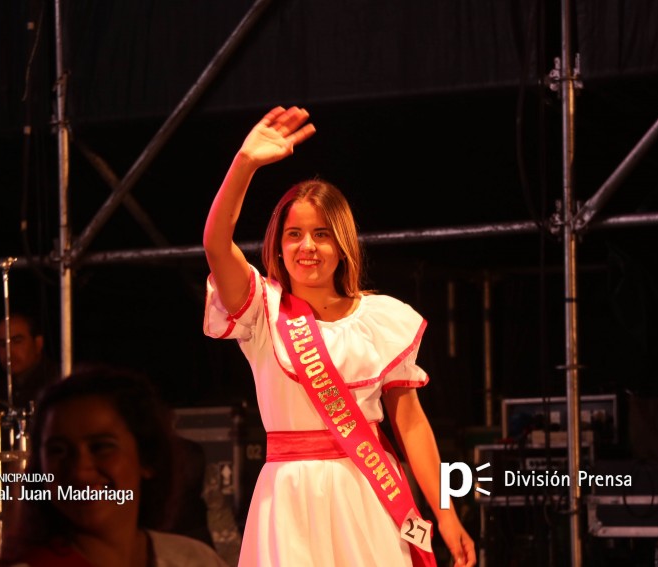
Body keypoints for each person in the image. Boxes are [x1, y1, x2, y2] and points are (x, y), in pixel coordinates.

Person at [202, 106, 476, 566]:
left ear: (341, 243)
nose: (307, 246)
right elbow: (215, 243)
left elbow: (411, 425)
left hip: (367, 494)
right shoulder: (262, 310)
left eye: (321, 234)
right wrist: (244, 164)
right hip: (287, 499)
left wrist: (446, 514)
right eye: (294, 234)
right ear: (278, 244)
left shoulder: (383, 320)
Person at [0, 363, 229, 567]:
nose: (80, 471)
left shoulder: (193, 560)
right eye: (58, 451)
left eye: (101, 447)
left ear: (147, 457)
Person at [0, 312, 59, 410]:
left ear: (38, 343)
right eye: (2, 344)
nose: (8, 352)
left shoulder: (57, 383)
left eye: (17, 341)